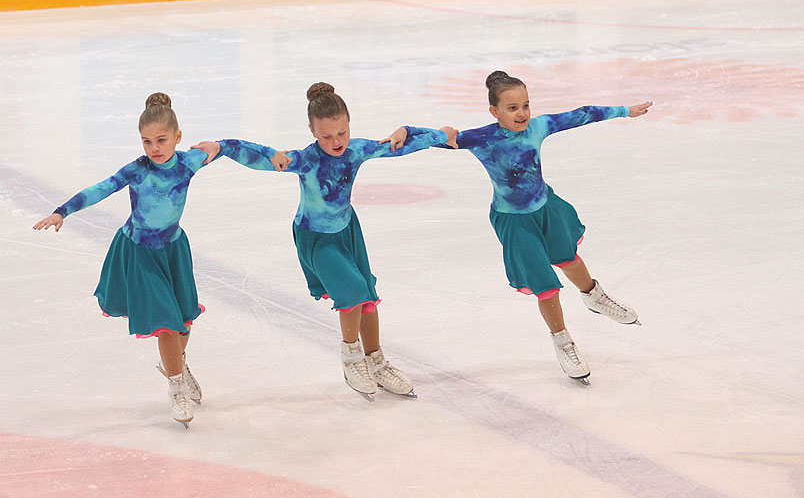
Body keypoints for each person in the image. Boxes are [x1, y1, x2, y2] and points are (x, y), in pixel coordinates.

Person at [194, 82, 458, 401]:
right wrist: (221, 146)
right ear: (312, 130)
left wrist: (434, 133)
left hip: (347, 230)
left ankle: (375, 361)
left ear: (349, 124)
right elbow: (260, 156)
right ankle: (351, 358)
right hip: (316, 236)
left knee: (367, 297)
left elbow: (402, 145)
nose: (336, 142)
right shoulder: (306, 160)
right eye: (327, 136)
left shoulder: (357, 150)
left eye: (342, 133)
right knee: (351, 292)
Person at [32, 92, 255, 427]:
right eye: (147, 141)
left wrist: (219, 145)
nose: (154, 148)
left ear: (177, 138)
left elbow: (228, 149)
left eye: (161, 140)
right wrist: (62, 211)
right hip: (140, 252)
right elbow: (100, 189)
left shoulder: (188, 162)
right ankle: (176, 386)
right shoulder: (137, 171)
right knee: (166, 319)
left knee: (184, 317)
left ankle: (176, 362)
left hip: (174, 248)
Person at [441, 70, 652, 384]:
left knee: (568, 258)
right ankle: (563, 341)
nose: (522, 113)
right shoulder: (482, 137)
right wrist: (434, 134)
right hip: (514, 220)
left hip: (546, 207)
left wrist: (625, 111)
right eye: (512, 108)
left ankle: (594, 296)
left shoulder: (538, 126)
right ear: (494, 111)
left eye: (525, 105)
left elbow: (582, 115)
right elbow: (442, 142)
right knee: (546, 285)